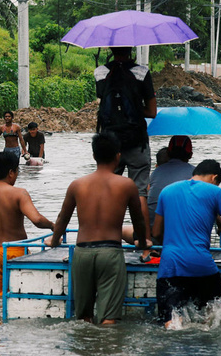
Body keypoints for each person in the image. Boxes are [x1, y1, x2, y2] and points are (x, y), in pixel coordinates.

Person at [47, 132, 147, 324]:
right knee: (109, 319)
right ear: (118, 156)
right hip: (110, 253)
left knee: (84, 318)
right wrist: (142, 243)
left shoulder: (77, 185)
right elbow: (139, 221)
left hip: (82, 253)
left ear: (94, 156)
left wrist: (54, 241)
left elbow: (62, 219)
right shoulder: (127, 184)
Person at [153, 159, 221, 329]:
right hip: (202, 265)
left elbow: (157, 233)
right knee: (214, 317)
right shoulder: (215, 192)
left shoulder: (167, 191)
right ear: (214, 177)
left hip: (171, 265)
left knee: (172, 320)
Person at [94, 46, 157, 248]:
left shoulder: (100, 72)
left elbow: (105, 103)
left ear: (111, 49)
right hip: (137, 141)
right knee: (140, 192)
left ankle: (106, 239)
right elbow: (152, 111)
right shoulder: (142, 72)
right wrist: (137, 111)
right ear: (131, 49)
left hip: (110, 144)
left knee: (109, 189)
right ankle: (144, 240)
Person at [0, 152, 54, 296]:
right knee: (22, 296)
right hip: (18, 251)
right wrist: (54, 226)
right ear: (11, 172)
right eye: (17, 171)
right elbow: (37, 220)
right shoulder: (19, 193)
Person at [123, 137, 195, 261]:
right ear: (190, 154)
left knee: (122, 230)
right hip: (181, 236)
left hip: (153, 235)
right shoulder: (196, 174)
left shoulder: (156, 172)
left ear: (169, 153)